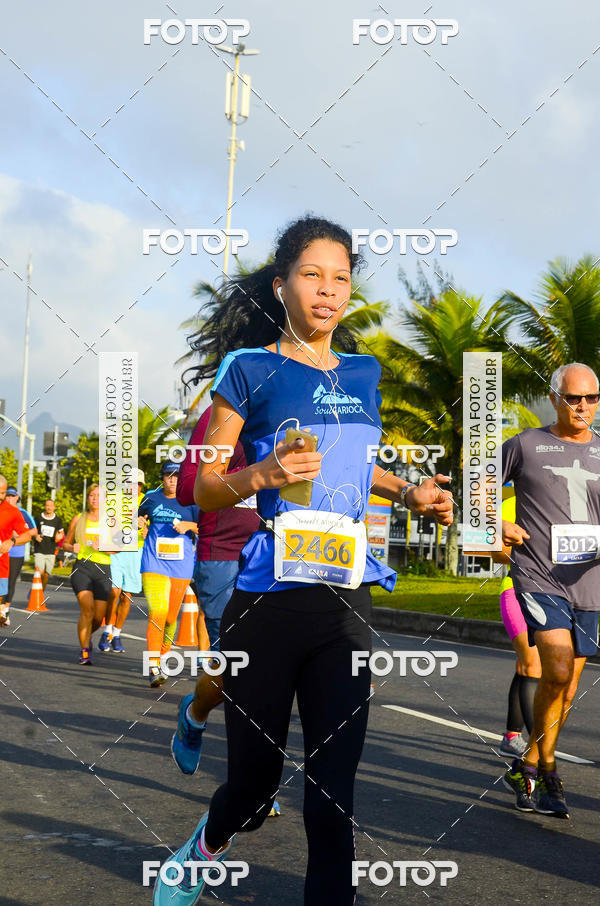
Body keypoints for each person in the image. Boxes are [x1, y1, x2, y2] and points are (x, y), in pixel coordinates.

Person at [153, 216, 453, 906]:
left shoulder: (364, 371)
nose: (327, 290)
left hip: (345, 598)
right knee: (255, 785)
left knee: (331, 797)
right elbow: (203, 486)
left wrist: (411, 490)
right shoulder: (249, 369)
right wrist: (263, 472)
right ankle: (209, 840)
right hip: (265, 600)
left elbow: (360, 462)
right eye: (312, 275)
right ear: (282, 282)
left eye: (341, 277)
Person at [502, 362, 600, 818]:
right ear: (556, 397)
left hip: (592, 583)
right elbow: (477, 485)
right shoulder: (526, 444)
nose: (583, 407)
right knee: (556, 669)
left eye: (592, 398)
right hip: (539, 574)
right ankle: (546, 766)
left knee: (570, 683)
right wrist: (495, 523)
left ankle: (533, 762)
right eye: (574, 397)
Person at [140, 462, 199, 687]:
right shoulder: (151, 497)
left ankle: (163, 655)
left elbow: (204, 528)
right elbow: (137, 516)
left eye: (176, 476)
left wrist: (189, 526)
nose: (172, 480)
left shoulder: (192, 499)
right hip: (154, 562)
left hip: (181, 565)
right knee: (157, 611)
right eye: (168, 476)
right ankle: (154, 665)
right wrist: (139, 520)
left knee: (171, 617)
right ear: (162, 477)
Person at [492, 489, 541, 759]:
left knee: (528, 667)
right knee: (531, 665)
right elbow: (496, 553)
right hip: (517, 590)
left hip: (559, 596)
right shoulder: (511, 504)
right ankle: (542, 751)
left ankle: (512, 735)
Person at [62, 484, 115, 664]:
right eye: (92, 495)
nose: (94, 498)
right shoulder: (79, 519)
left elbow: (118, 549)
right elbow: (65, 543)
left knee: (98, 617)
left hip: (103, 569)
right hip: (82, 568)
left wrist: (104, 547)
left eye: (99, 496)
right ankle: (85, 650)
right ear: (88, 498)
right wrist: (72, 547)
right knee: (87, 610)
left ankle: (85, 636)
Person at [99, 469, 147, 653]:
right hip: (117, 550)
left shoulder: (146, 501)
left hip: (137, 552)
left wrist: (146, 531)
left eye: (137, 484)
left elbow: (150, 525)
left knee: (127, 596)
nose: (133, 487)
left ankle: (117, 634)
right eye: (130, 483)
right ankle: (107, 630)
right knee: (114, 590)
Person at [0, 477, 33, 626]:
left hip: (2, 566)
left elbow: (27, 535)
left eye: (2, 493)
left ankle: (3, 610)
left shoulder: (12, 512)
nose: (0, 496)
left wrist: (11, 541)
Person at [33, 499, 64, 590]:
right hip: (39, 549)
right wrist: (35, 536)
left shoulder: (57, 520)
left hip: (51, 550)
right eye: (47, 505)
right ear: (44, 506)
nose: (49, 507)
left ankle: (40, 592)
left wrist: (59, 537)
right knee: (40, 572)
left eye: (51, 505)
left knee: (47, 574)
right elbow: (32, 531)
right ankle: (37, 591)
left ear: (54, 507)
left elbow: (61, 533)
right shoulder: (38, 518)